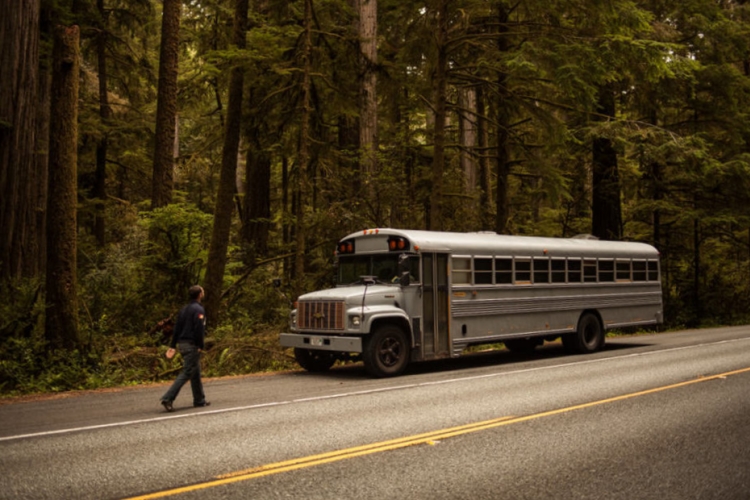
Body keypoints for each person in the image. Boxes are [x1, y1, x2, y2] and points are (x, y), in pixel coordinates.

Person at [160, 285, 210, 412]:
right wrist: (200, 345)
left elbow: (176, 329)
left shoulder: (184, 310)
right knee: (187, 372)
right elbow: (199, 329)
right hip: (191, 344)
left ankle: (199, 400)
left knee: (195, 371)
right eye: (202, 291)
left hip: (182, 344)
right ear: (200, 294)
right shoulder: (199, 310)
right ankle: (168, 398)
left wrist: (172, 345)